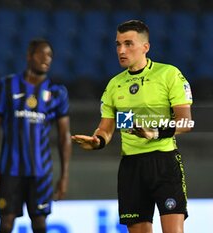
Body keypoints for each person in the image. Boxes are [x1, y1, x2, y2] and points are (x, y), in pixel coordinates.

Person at [72, 20, 193, 233]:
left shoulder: (168, 74)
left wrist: (153, 132)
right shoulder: (114, 85)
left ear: (146, 47)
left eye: (128, 44)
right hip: (131, 167)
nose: (121, 50)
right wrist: (97, 141)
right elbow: (106, 128)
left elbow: (186, 122)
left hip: (164, 163)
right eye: (118, 44)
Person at [0, 38, 72, 233]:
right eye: (41, 54)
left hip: (41, 171)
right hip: (10, 170)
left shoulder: (57, 93)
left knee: (40, 225)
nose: (46, 59)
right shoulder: (7, 85)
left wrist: (64, 175)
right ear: (29, 56)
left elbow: (64, 135)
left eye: (50, 55)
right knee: (6, 224)